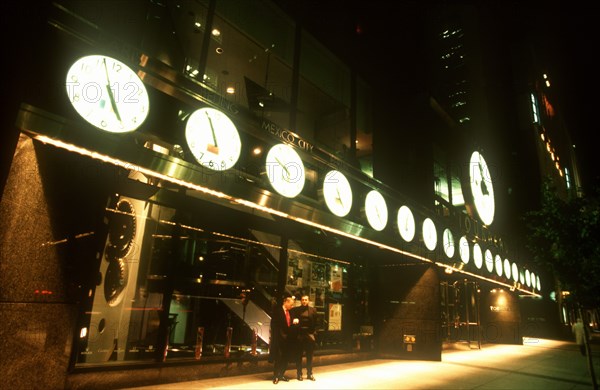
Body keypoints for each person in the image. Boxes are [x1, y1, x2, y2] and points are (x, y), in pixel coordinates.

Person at [291, 294, 318, 381]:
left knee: (310, 356)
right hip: (299, 335)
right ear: (301, 301)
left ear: (308, 301)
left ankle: (310, 374)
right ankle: (299, 374)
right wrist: (294, 321)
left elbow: (316, 323)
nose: (304, 301)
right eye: (303, 300)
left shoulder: (313, 310)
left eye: (306, 300)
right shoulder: (296, 310)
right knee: (299, 356)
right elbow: (291, 320)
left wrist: (314, 333)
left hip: (309, 335)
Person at [269, 296, 295, 384]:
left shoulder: (291, 312)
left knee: (286, 357)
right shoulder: (277, 311)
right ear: (286, 303)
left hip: (288, 338)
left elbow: (290, 324)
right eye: (291, 305)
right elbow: (273, 325)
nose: (292, 306)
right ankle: (276, 376)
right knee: (278, 357)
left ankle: (281, 374)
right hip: (279, 338)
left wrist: (294, 322)